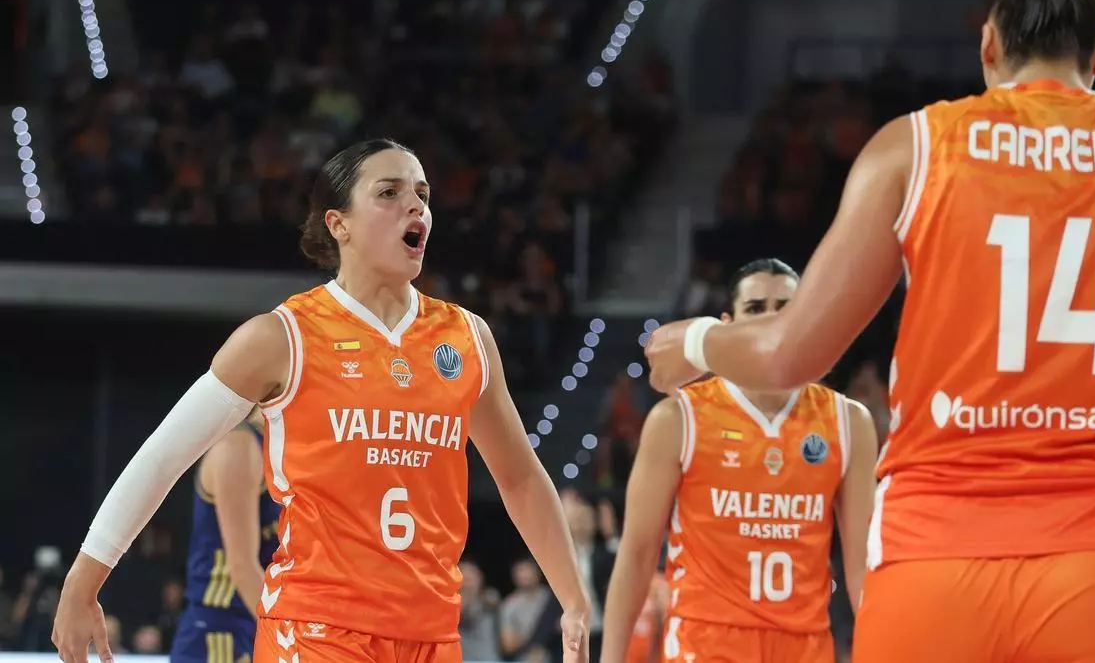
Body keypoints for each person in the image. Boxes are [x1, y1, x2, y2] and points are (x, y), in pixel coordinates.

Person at [645, 0, 1095, 661]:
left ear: (989, 47)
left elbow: (789, 353)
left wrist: (695, 340)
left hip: (935, 562)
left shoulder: (916, 147)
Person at [52, 138, 593, 663]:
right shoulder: (280, 337)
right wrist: (83, 582)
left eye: (423, 194)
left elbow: (520, 479)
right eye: (389, 192)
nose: (415, 205)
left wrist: (573, 600)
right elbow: (162, 456)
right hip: (317, 630)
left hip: (431, 633)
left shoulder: (467, 337)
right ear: (339, 224)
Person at [605, 259, 877, 663]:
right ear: (726, 327)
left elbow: (862, 567)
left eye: (784, 307)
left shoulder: (849, 421)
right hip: (705, 644)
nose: (771, 319)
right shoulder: (678, 418)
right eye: (755, 308)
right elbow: (637, 555)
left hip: (805, 646)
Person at [169, 411, 280, 663]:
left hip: (253, 623)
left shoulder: (279, 447)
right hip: (220, 632)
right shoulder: (238, 446)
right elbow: (243, 568)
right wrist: (289, 638)